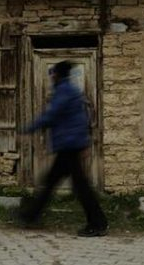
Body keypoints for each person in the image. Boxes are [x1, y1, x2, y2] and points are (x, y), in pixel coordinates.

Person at [18, 60, 108, 237]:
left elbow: (51, 116)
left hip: (69, 146)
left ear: (58, 75)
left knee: (79, 186)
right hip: (71, 144)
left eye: (53, 73)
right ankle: (31, 216)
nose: (51, 76)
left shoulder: (64, 92)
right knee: (52, 181)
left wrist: (27, 129)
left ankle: (97, 223)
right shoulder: (71, 91)